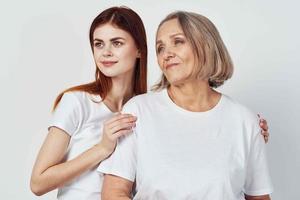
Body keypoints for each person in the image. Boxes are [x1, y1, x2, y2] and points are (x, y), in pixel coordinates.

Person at [98, 11, 273, 200]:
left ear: (205, 46)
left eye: (178, 41)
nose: (166, 54)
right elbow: (114, 193)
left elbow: (259, 197)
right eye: (160, 48)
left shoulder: (244, 121)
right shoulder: (139, 111)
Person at [30, 6, 147, 199]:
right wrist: (102, 148)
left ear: (139, 50)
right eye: (99, 44)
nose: (106, 52)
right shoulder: (77, 101)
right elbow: (38, 183)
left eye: (117, 43)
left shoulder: (144, 109)